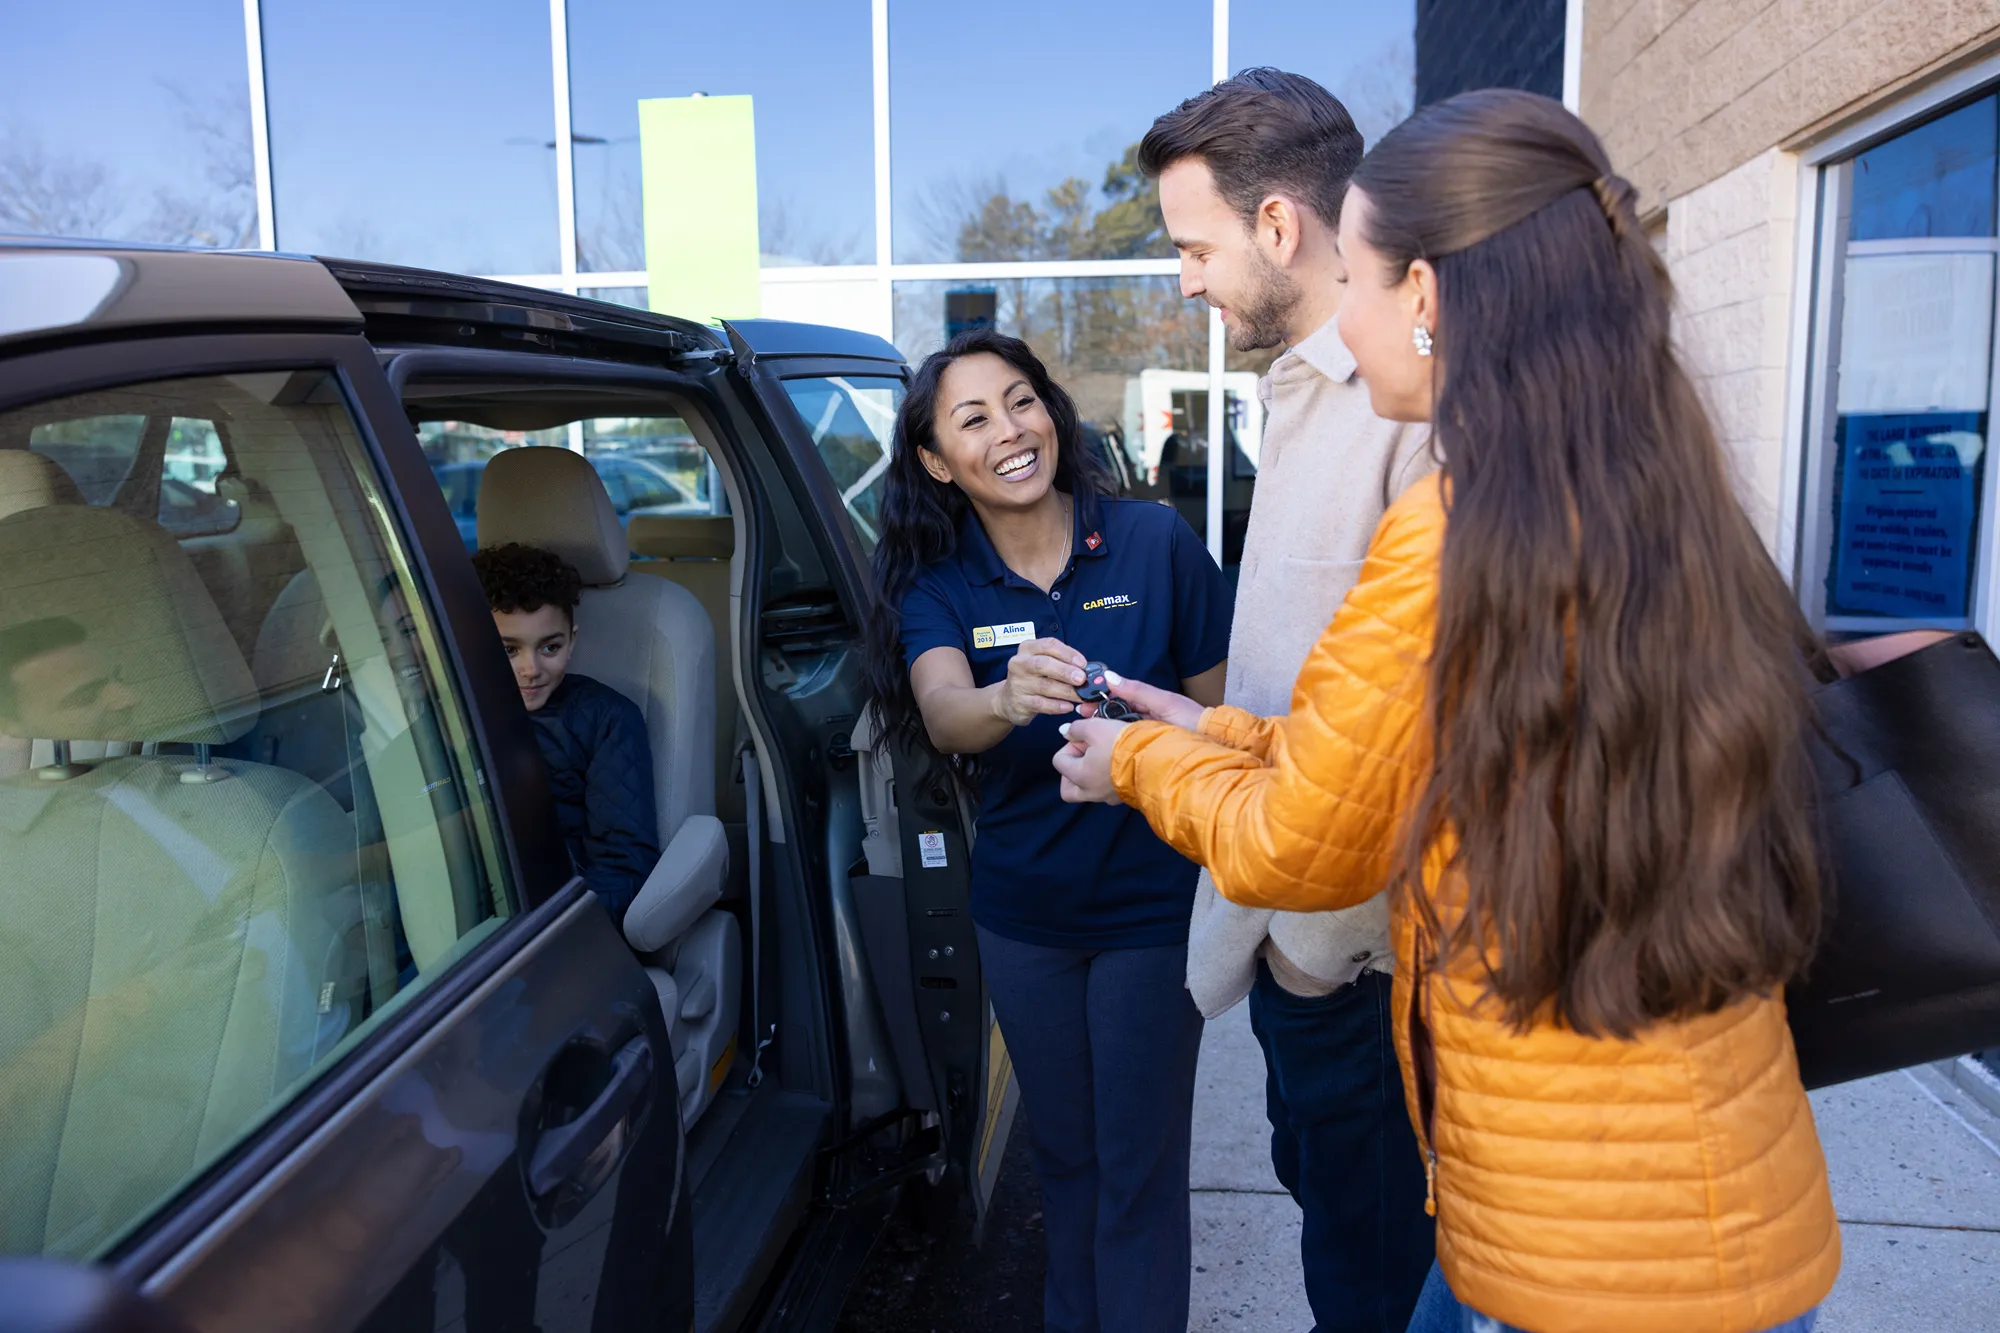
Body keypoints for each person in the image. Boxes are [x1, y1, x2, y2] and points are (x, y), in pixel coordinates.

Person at [1056, 89, 1841, 1333]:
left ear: (1422, 296)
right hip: (1701, 1187)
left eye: (1360, 279)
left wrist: (1142, 759)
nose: (1343, 320)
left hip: (1586, 1238)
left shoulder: (1460, 518)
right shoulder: (1644, 482)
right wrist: (1211, 730)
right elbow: (1412, 737)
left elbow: (1304, 840)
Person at [1137, 67, 1437, 1333]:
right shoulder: (1302, 392)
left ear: (1277, 226)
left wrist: (1315, 963)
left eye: (1194, 247)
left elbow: (1409, 725)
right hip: (1290, 929)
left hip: (1353, 957)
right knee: (1336, 1236)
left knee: (1369, 1282)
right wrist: (1198, 722)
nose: (1186, 281)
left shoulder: (1409, 409)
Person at [862, 327, 1232, 1333]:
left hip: (1152, 911)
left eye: (1020, 400)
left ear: (1051, 415)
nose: (1008, 430)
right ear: (938, 461)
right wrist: (1006, 693)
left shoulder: (1152, 542)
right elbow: (942, 711)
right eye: (971, 418)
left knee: (1138, 1169)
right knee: (1064, 1162)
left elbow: (1221, 721)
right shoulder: (942, 585)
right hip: (1022, 919)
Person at [472, 541, 658, 925]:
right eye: (508, 650)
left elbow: (625, 866)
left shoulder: (605, 719)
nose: (531, 669)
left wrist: (549, 930)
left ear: (572, 640)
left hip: (553, 926)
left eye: (549, 647)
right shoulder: (451, 719)